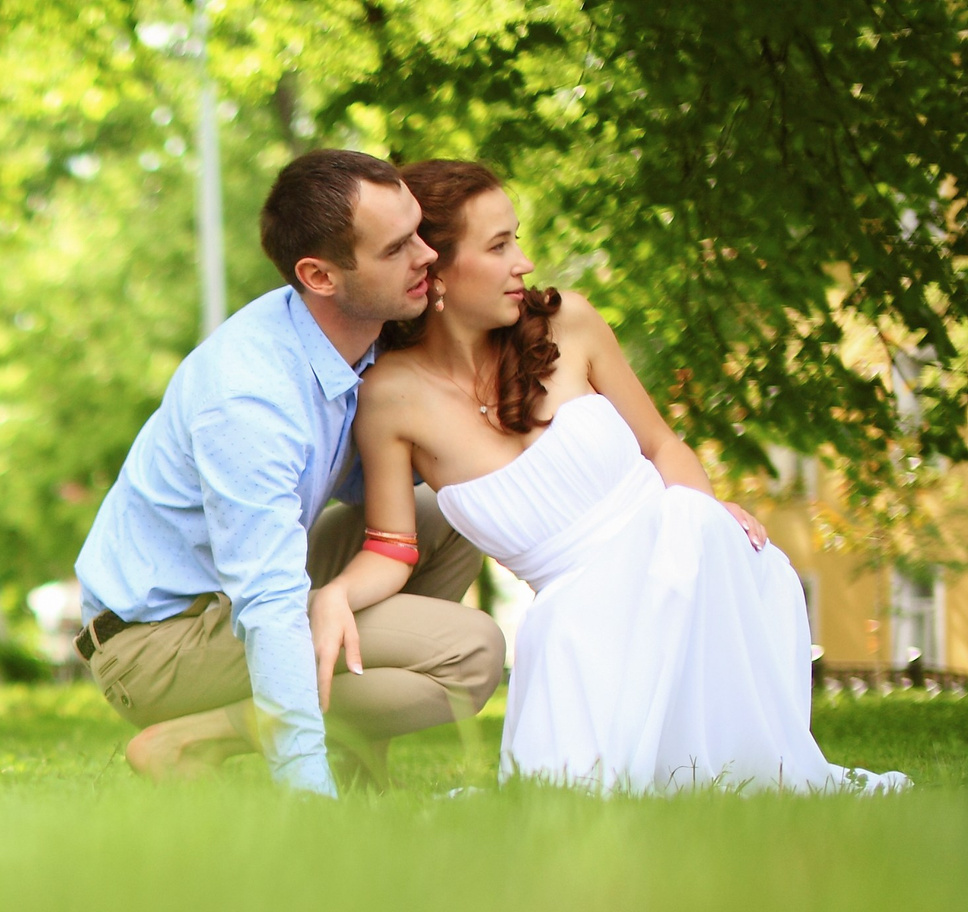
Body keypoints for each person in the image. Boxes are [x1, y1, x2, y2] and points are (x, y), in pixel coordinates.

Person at [315, 159, 908, 795]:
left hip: (682, 570)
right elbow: (392, 547)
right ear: (434, 271)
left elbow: (661, 445)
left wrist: (700, 519)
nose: (522, 262)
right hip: (575, 621)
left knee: (682, 761)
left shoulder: (568, 322)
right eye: (498, 246)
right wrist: (336, 595)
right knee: (569, 780)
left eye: (516, 238)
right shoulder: (390, 397)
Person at [72, 149, 506, 796]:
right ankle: (203, 736)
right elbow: (268, 602)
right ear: (320, 275)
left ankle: (363, 776)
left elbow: (388, 491)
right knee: (472, 653)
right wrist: (307, 798)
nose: (425, 256)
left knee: (453, 512)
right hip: (161, 644)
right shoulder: (250, 397)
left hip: (229, 600)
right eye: (396, 249)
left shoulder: (354, 348)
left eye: (419, 231)